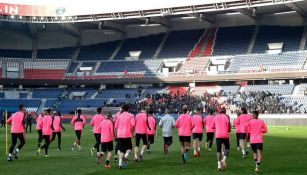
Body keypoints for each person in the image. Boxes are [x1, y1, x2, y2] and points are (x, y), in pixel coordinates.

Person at [115, 104, 135, 169]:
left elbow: (116, 127)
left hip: (120, 135)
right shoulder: (131, 115)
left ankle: (120, 164)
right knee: (129, 148)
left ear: (122, 109)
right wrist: (132, 132)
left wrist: (116, 135)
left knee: (121, 150)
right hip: (127, 134)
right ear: (128, 109)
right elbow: (133, 125)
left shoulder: (119, 116)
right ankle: (125, 156)